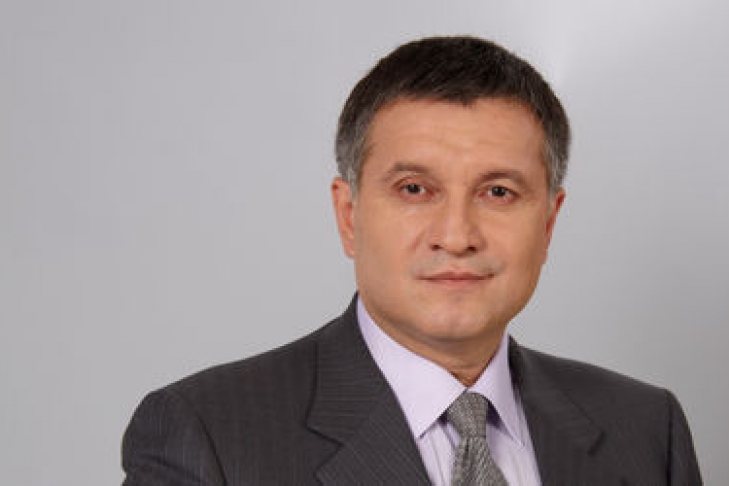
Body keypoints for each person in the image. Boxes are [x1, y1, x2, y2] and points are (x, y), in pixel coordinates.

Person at [121, 36, 702, 485]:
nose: (456, 235)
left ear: (548, 223)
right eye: (415, 189)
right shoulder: (210, 436)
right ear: (348, 215)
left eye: (498, 192)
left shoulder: (648, 429)